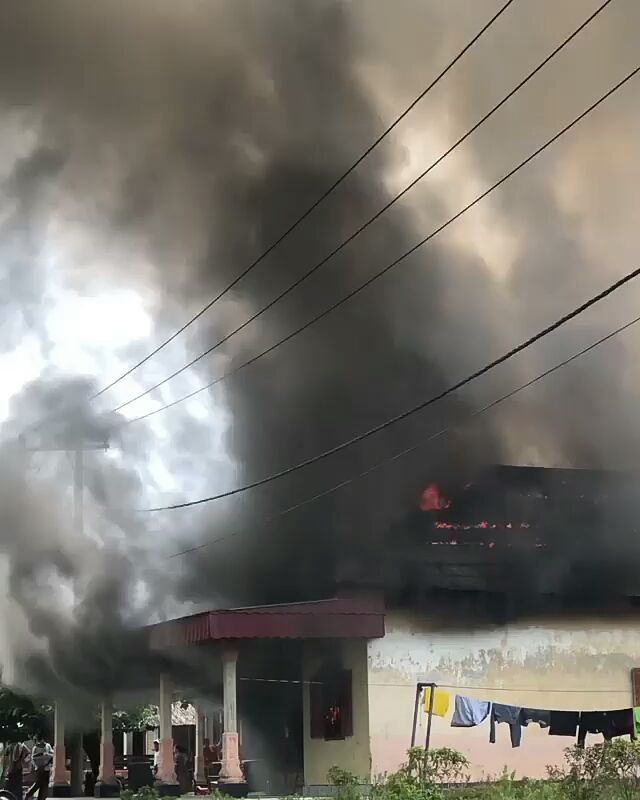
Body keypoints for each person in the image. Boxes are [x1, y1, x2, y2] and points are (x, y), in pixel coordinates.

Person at [26, 735, 53, 800]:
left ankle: (41, 798)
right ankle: (28, 794)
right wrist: (42, 754)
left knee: (45, 785)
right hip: (38, 768)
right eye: (38, 741)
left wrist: (47, 762)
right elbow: (33, 757)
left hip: (46, 768)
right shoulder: (35, 748)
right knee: (38, 783)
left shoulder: (47, 746)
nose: (40, 742)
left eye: (40, 740)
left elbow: (52, 755)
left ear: (43, 739)